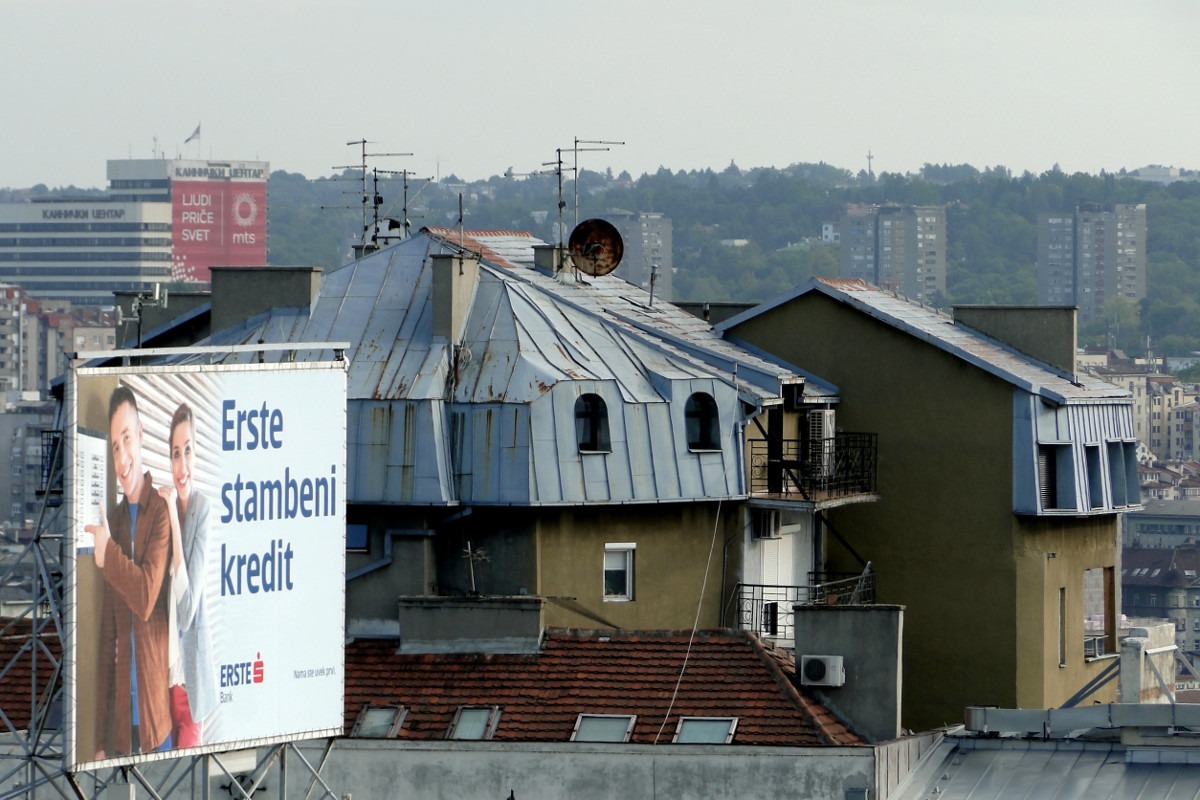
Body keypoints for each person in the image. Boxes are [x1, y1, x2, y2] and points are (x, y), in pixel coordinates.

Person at [87, 384, 173, 759]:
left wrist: (108, 553)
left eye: (126, 438)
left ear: (140, 434)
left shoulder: (161, 512)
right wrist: (100, 741)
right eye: (114, 447)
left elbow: (146, 596)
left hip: (158, 724)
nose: (122, 457)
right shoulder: (116, 523)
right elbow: (108, 640)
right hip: (123, 729)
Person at [158, 403, 217, 747]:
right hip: (160, 685)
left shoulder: (202, 510)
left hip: (189, 687)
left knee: (187, 775)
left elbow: (186, 609)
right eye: (175, 454)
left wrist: (172, 517)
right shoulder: (161, 511)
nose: (182, 467)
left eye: (188, 451)